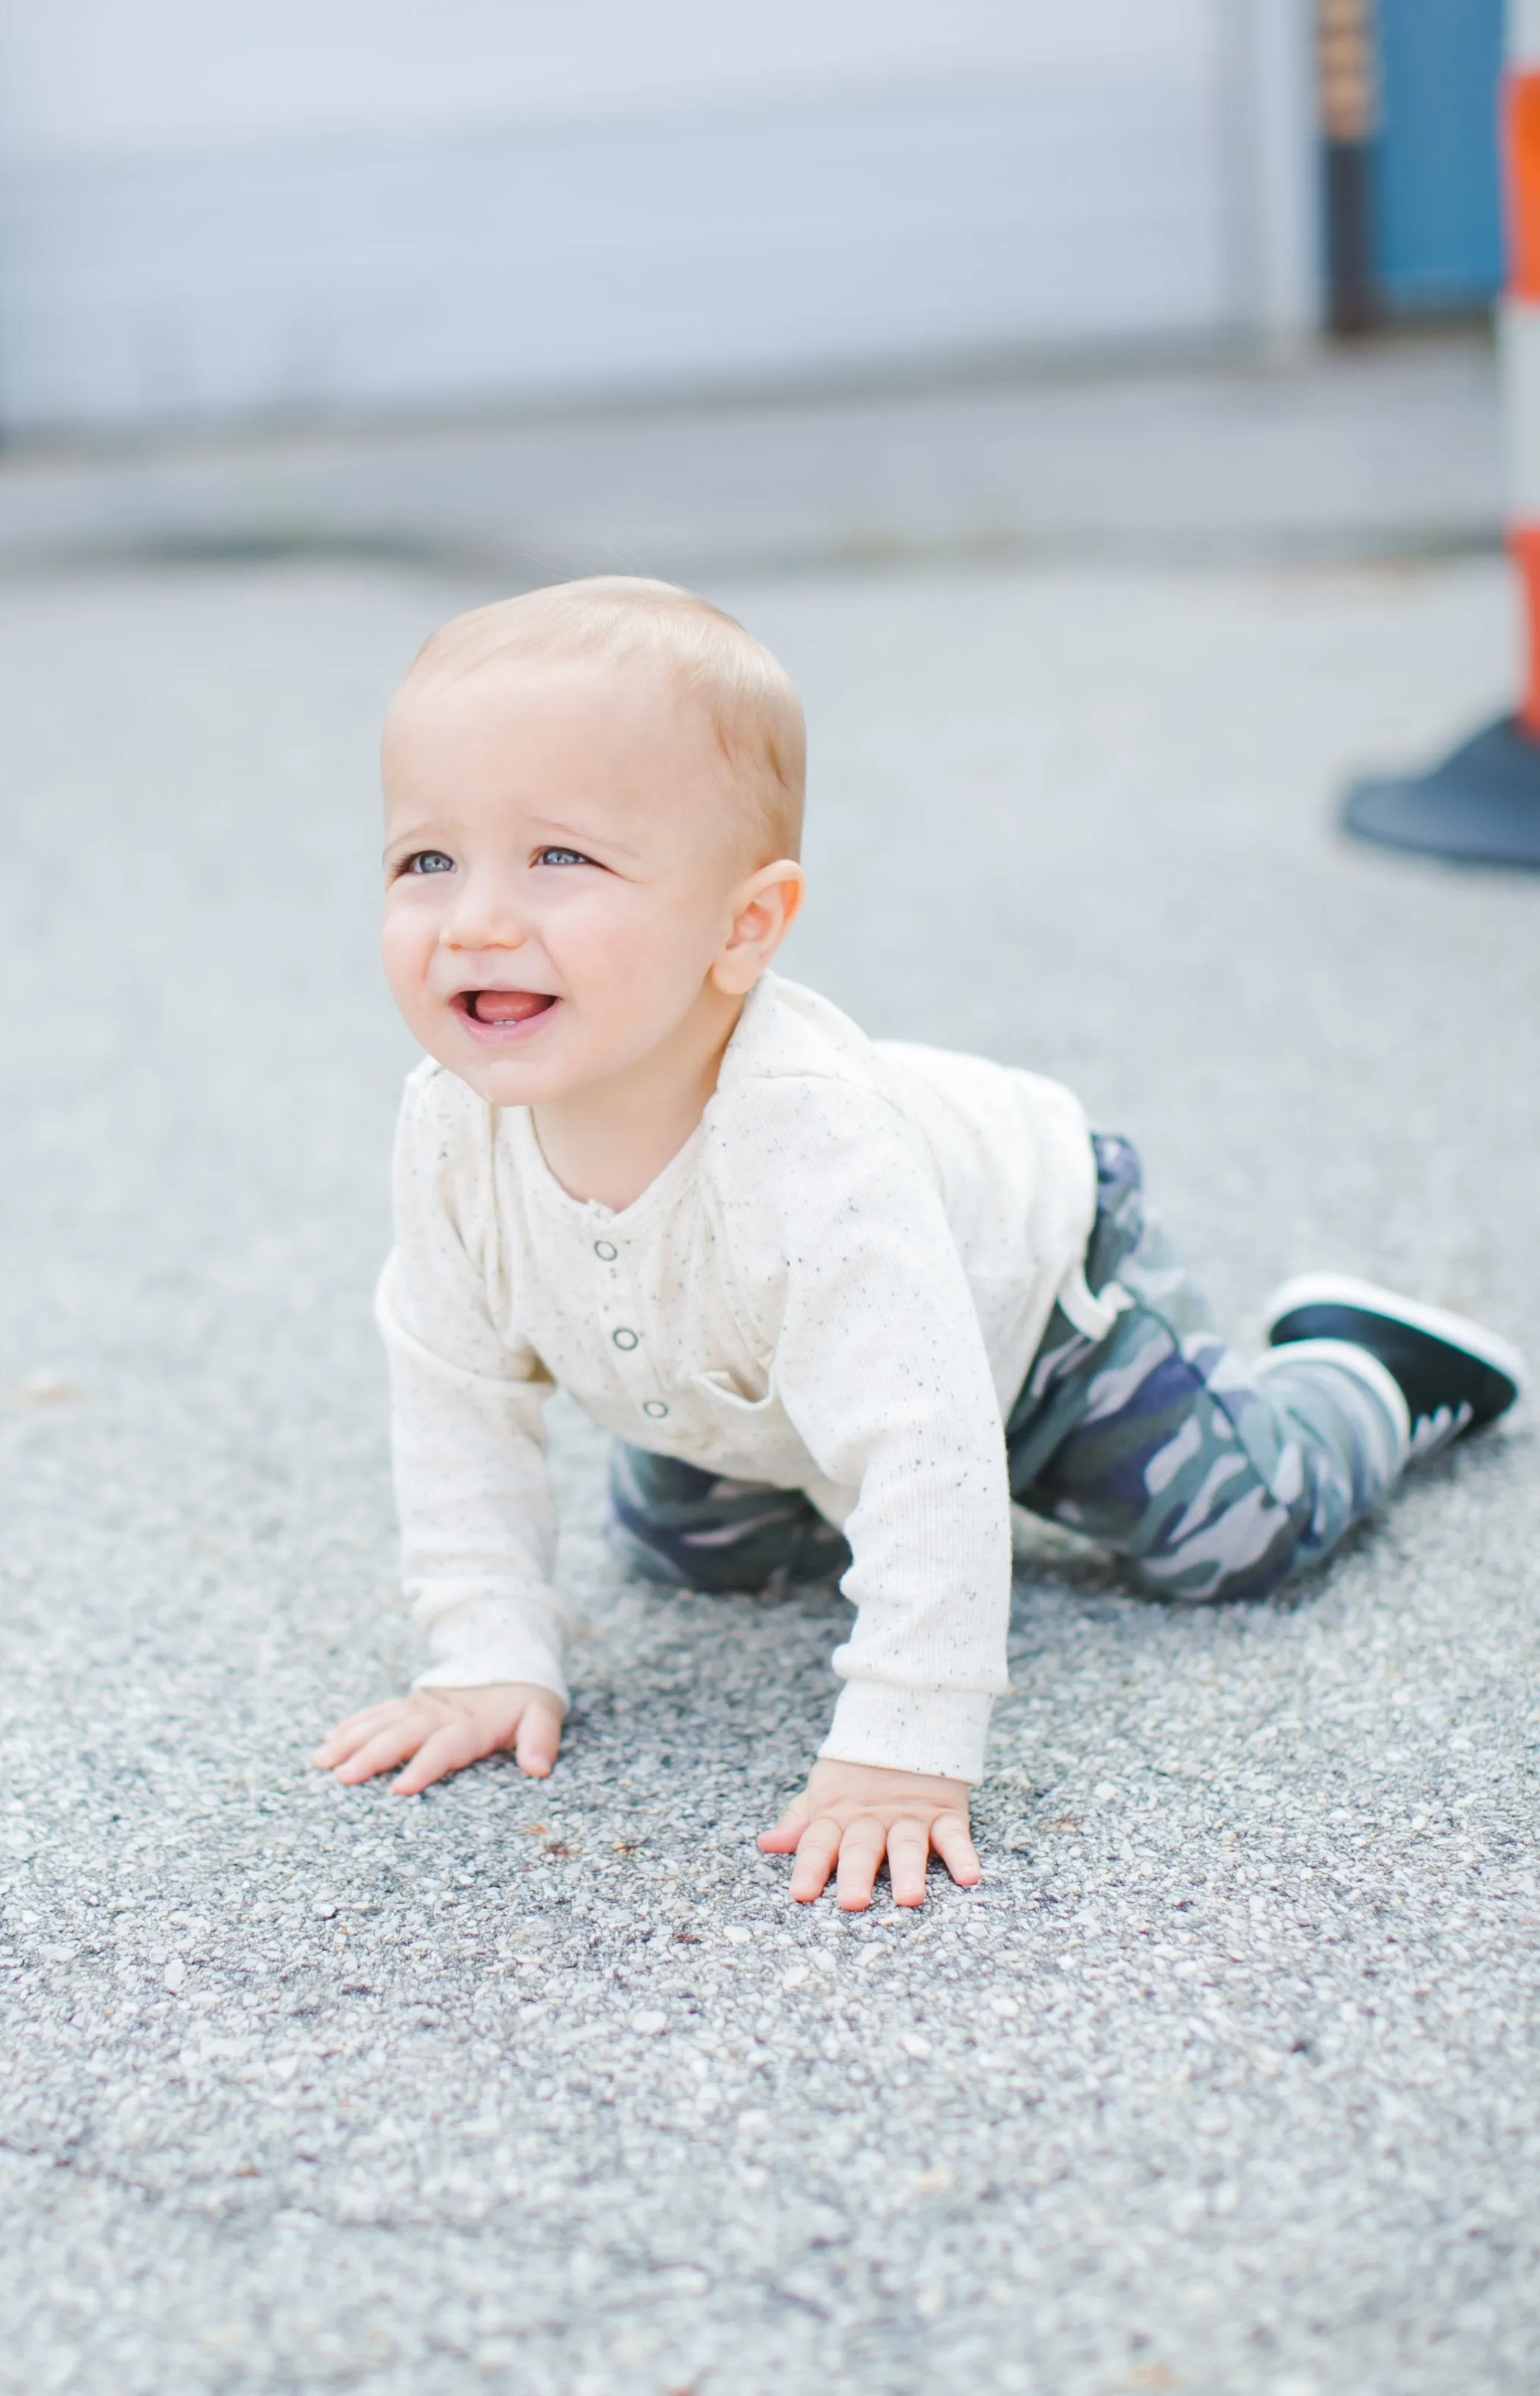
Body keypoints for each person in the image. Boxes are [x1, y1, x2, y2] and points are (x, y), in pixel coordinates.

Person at [315, 577, 1524, 1910]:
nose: (475, 917)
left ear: (746, 926)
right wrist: (486, 1650)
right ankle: (785, 1474)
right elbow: (457, 1390)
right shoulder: (446, 1132)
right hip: (749, 1370)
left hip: (1030, 1310)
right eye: (427, 860)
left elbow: (928, 1439)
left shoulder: (815, 1151)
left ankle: (1367, 1372)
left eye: (561, 858)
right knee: (702, 1563)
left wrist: (902, 1748)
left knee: (1229, 1540)